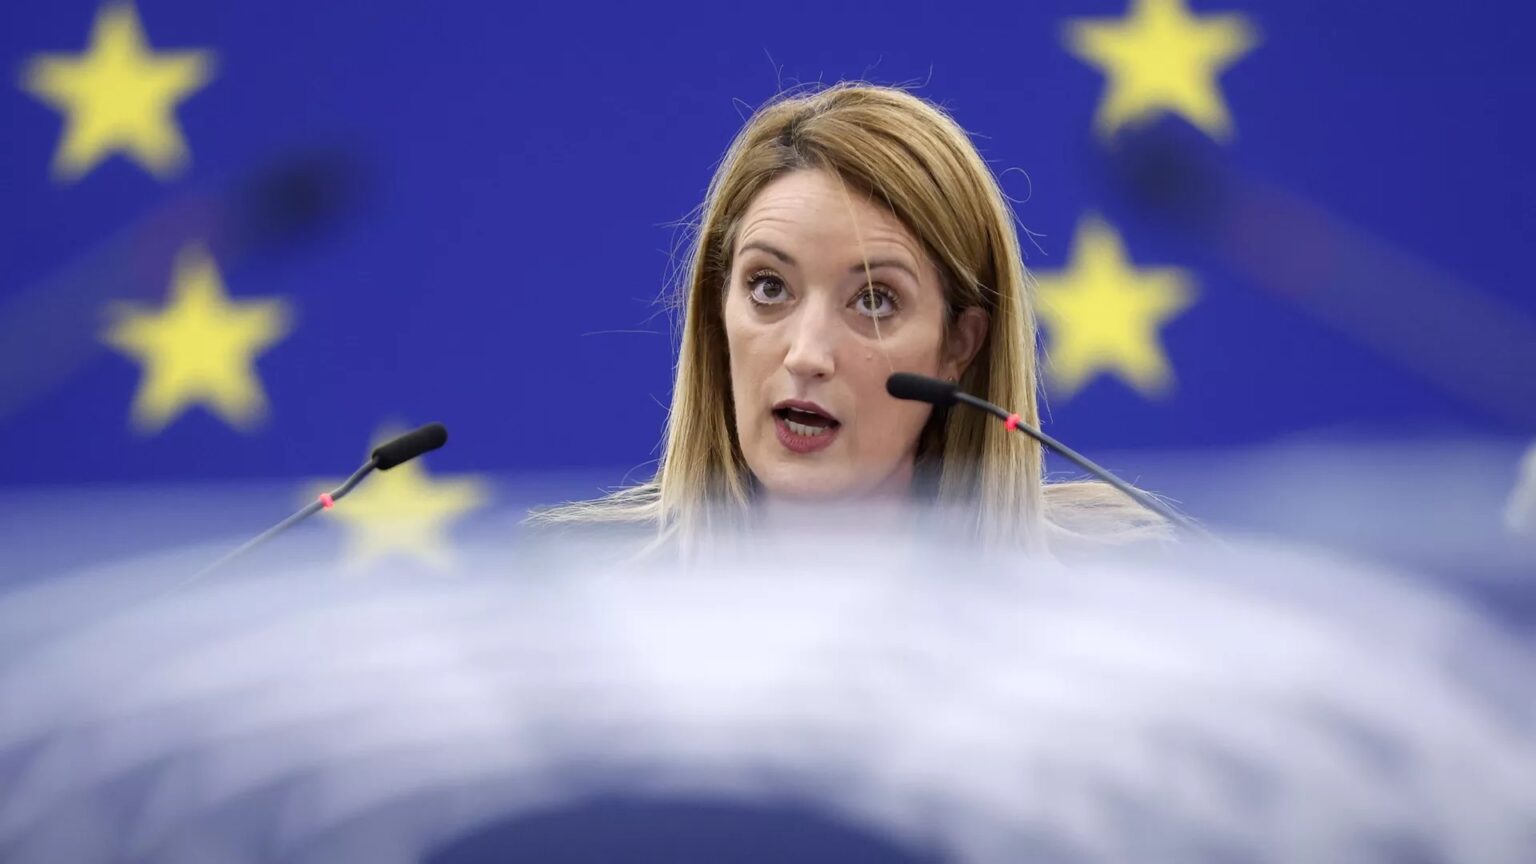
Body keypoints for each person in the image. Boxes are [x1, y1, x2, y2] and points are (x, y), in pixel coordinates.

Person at [529, 82, 1167, 555]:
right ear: (716, 312)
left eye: (874, 301)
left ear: (959, 345)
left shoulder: (1108, 602)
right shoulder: (584, 598)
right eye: (769, 287)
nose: (806, 355)